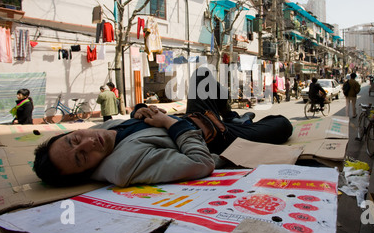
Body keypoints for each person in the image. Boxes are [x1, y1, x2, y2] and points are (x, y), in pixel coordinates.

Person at [33, 67, 293, 187]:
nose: (89, 143)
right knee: (282, 125)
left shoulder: (106, 127)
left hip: (196, 116)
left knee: (202, 75)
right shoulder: (124, 166)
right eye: (82, 158)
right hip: (219, 137)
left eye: (75, 140)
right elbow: (201, 163)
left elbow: (133, 126)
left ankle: (229, 114)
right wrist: (168, 122)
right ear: (87, 172)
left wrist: (139, 111)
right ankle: (236, 123)